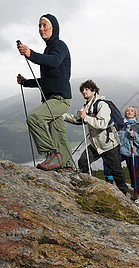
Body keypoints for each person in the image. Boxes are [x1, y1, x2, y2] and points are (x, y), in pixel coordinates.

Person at [17, 14, 74, 171]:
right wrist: (25, 82)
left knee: (34, 119)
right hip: (52, 98)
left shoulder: (59, 46)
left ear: (53, 28)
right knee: (58, 132)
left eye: (45, 25)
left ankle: (53, 155)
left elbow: (54, 61)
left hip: (60, 99)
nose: (41, 29)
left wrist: (30, 54)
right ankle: (68, 165)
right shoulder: (49, 49)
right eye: (39, 26)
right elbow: (46, 81)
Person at [63, 79, 129, 195]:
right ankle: (91, 185)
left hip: (109, 145)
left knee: (116, 171)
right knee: (83, 162)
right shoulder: (88, 106)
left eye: (87, 89)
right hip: (96, 145)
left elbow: (102, 124)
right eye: (82, 90)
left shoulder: (101, 104)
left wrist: (86, 117)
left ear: (94, 91)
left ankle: (123, 193)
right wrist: (62, 116)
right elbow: (78, 120)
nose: (84, 92)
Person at [103, 106, 139, 201]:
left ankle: (136, 190)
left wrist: (134, 135)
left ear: (135, 114)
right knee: (109, 163)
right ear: (125, 113)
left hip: (133, 153)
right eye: (128, 111)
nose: (129, 112)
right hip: (121, 151)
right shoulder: (120, 124)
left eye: (132, 111)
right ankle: (109, 180)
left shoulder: (138, 127)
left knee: (134, 172)